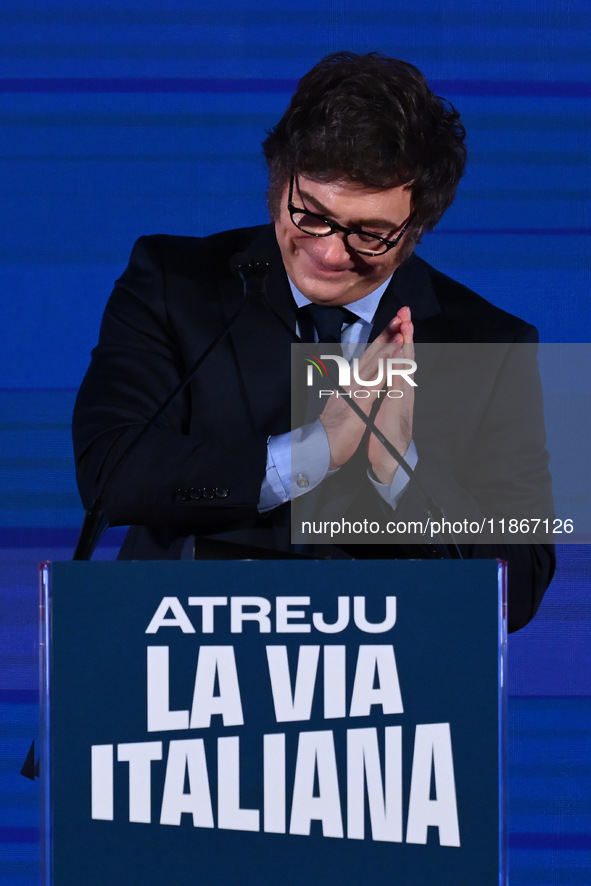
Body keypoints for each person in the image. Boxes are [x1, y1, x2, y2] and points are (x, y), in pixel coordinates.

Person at [73, 52, 555, 632]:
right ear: (279, 182)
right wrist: (316, 449)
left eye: (371, 234)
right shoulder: (177, 284)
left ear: (418, 227)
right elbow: (111, 472)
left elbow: (519, 587)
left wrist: (401, 471)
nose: (328, 253)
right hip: (184, 679)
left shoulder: (489, 345)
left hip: (387, 697)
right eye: (311, 216)